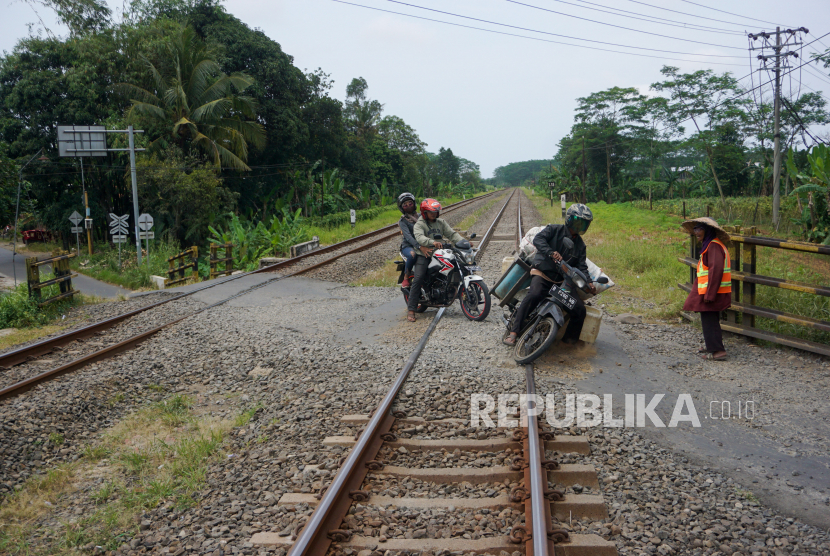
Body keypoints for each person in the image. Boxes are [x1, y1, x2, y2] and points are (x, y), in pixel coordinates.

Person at [504, 203, 596, 346]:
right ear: (569, 219)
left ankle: (568, 343)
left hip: (563, 282)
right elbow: (538, 239)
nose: (579, 226)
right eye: (577, 221)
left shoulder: (580, 245)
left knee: (579, 309)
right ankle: (514, 332)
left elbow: (582, 266)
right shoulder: (554, 229)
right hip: (543, 275)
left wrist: (589, 282)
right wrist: (550, 252)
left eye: (583, 224)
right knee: (534, 295)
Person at [681, 217, 731, 361]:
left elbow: (716, 270)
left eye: (699, 228)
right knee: (710, 319)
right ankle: (712, 346)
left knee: (709, 319)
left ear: (708, 230)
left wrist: (710, 293)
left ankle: (718, 351)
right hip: (712, 291)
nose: (696, 232)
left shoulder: (714, 246)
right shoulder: (710, 245)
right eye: (695, 229)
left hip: (713, 292)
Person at [406, 198, 464, 322]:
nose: (434, 213)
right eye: (431, 211)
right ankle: (411, 310)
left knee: (456, 264)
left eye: (436, 211)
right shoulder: (419, 224)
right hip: (425, 254)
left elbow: (452, 234)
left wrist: (463, 242)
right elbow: (420, 237)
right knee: (418, 278)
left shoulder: (441, 222)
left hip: (440, 252)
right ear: (424, 212)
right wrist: (432, 242)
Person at [397, 192, 420, 288]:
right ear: (402, 208)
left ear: (414, 204)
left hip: (422, 243)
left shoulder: (421, 217)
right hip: (408, 246)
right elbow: (408, 237)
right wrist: (418, 246)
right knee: (412, 255)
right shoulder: (403, 221)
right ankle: (406, 278)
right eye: (405, 205)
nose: (408, 206)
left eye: (410, 203)